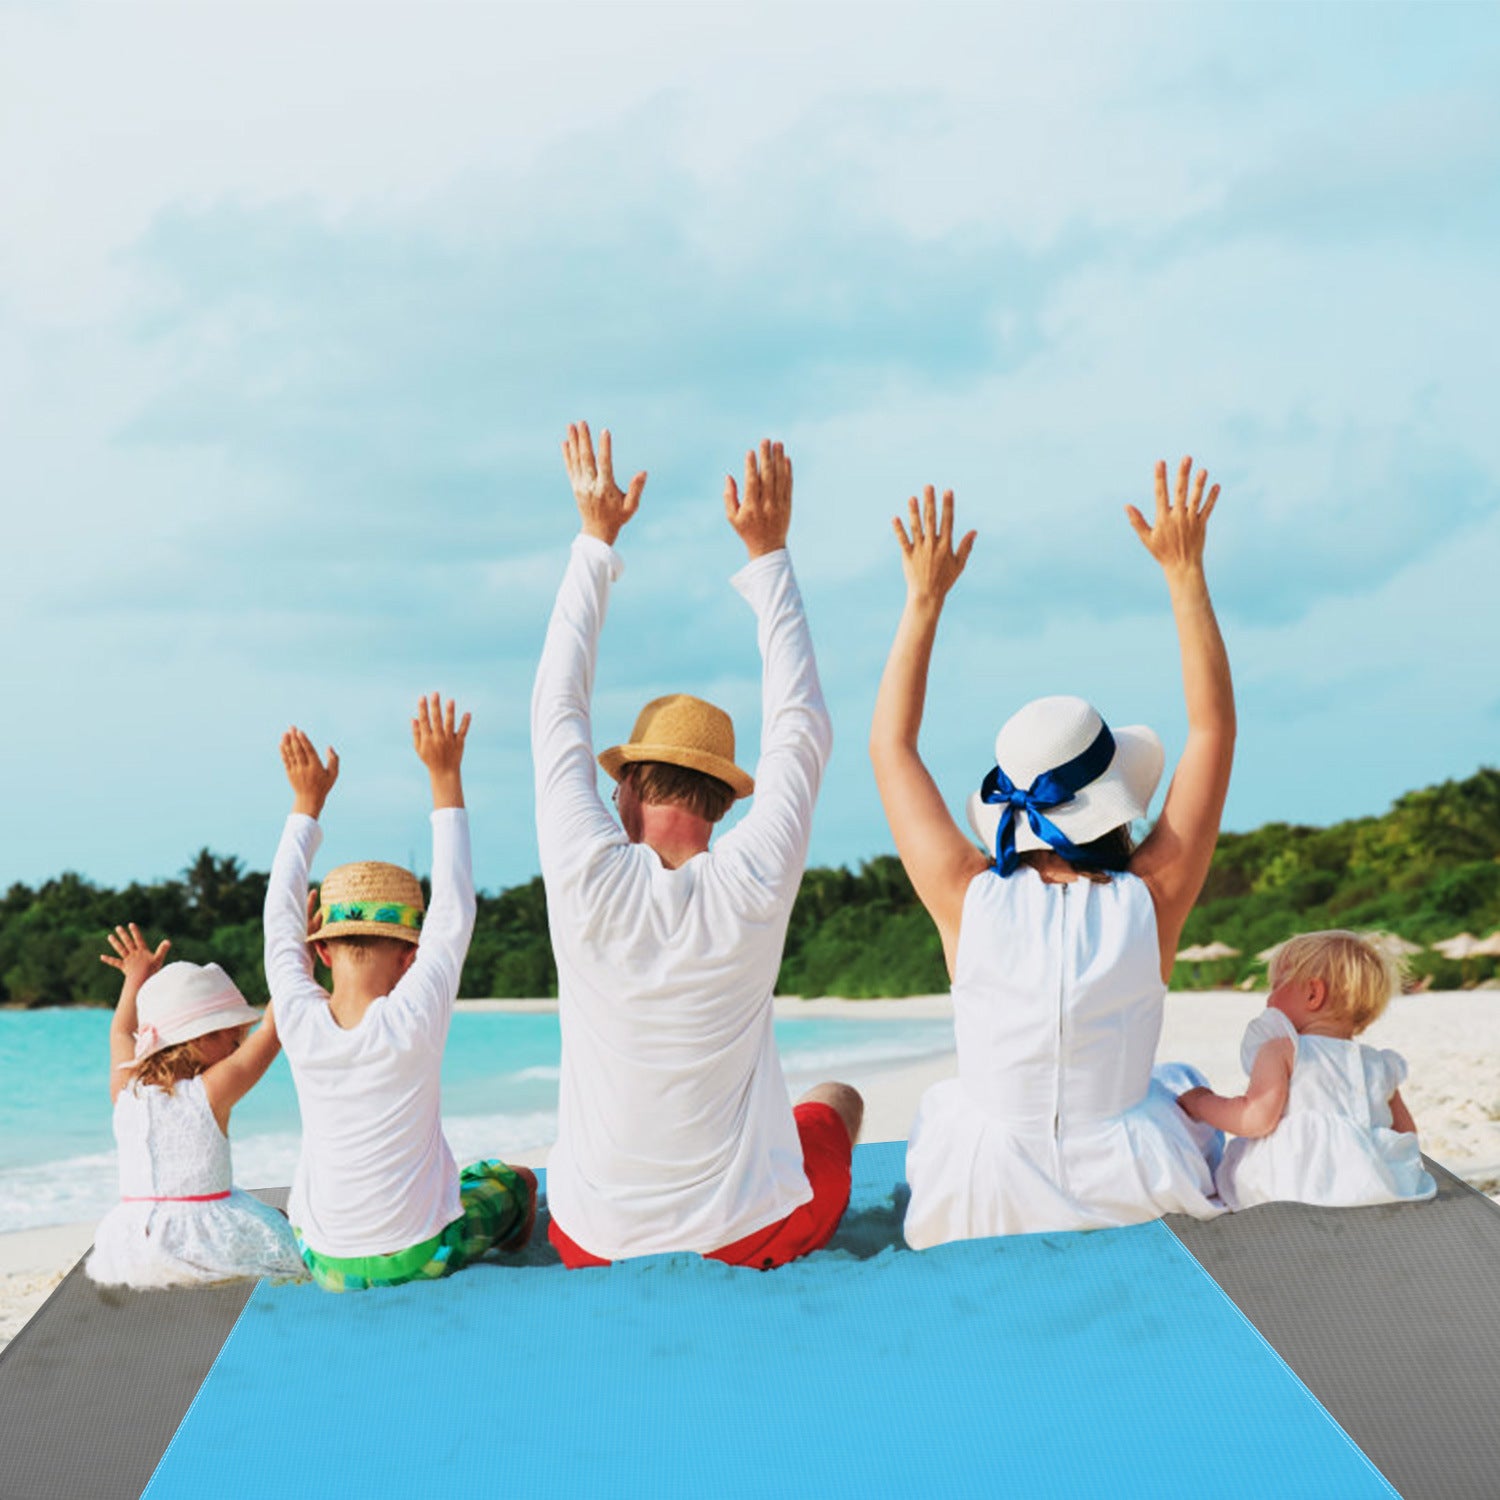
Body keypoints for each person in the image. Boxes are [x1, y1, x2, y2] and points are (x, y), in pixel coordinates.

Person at [870, 461, 1233, 1247]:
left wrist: (923, 598)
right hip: (1132, 1176)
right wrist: (1184, 572)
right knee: (1180, 1093)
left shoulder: (966, 896)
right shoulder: (1153, 896)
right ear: (1114, 800)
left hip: (982, 1188)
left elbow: (891, 747)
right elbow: (1212, 731)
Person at [533, 421, 862, 1270]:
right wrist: (769, 555)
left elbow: (556, 713)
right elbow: (801, 728)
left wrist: (595, 541)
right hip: (747, 1238)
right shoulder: (755, 875)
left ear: (629, 789)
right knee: (839, 1102)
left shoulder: (587, 878)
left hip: (592, 1243)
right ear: (723, 796)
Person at [264, 695, 536, 1291]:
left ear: (321, 950)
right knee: (510, 1181)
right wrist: (445, 775)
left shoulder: (297, 1017)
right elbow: (455, 906)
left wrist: (305, 805)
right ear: (410, 955)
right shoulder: (416, 1014)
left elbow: (278, 919)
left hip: (326, 1265)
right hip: (423, 1257)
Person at [88, 926, 305, 1288]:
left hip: (132, 1246)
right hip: (207, 1243)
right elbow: (272, 1030)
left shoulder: (125, 1091)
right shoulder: (210, 1091)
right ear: (203, 1036)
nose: (238, 1049)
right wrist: (298, 962)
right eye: (234, 1039)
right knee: (279, 1222)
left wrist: (135, 978)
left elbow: (121, 1034)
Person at [1178, 931, 1437, 1209]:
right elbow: (1405, 1133)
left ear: (1313, 993)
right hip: (1376, 1188)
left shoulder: (1283, 1050)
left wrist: (1201, 1102)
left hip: (1296, 1189)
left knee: (1232, 1181)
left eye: (1276, 986)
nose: (1269, 999)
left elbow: (1254, 1119)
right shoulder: (1380, 1063)